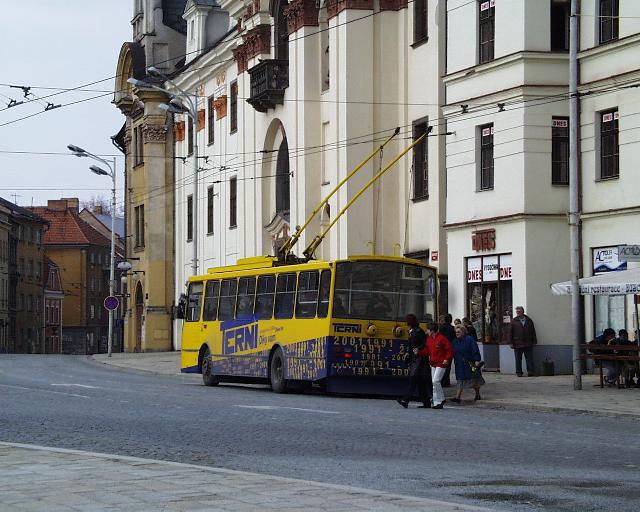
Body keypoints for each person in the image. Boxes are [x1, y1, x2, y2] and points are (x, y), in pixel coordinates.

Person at [397, 314, 432, 409]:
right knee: (419, 381)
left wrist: (417, 349)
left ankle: (405, 399)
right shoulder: (414, 331)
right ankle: (426, 402)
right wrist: (408, 352)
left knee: (413, 379)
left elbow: (424, 343)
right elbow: (411, 344)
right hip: (416, 358)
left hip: (419, 359)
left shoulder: (418, 331)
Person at [451, 325, 484, 403]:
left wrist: (477, 360)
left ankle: (477, 394)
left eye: (458, 332)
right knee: (460, 379)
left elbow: (475, 349)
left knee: (474, 379)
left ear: (463, 332)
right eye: (456, 332)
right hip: (459, 363)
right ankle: (457, 397)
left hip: (470, 363)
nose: (457, 333)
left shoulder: (469, 339)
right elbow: (452, 351)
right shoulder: (455, 341)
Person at [425, 322, 453, 409]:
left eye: (428, 329)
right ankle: (437, 402)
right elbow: (427, 351)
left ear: (432, 330)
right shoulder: (429, 339)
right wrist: (419, 352)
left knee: (435, 381)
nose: (427, 331)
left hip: (441, 363)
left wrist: (447, 359)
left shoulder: (442, 339)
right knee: (435, 382)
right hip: (434, 363)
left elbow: (449, 350)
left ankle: (440, 400)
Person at [508, 306, 537, 377]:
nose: (518, 312)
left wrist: (534, 341)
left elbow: (533, 331)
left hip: (528, 343)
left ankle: (530, 372)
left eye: (519, 311)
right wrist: (510, 343)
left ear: (523, 311)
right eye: (517, 311)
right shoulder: (513, 321)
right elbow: (510, 333)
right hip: (517, 343)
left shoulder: (529, 320)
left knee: (529, 358)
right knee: (518, 359)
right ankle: (519, 372)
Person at [439, 314, 456, 386]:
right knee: (448, 365)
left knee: (442, 364)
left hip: (442, 348)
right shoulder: (452, 328)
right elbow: (454, 339)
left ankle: (441, 380)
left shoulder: (441, 328)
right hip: (450, 348)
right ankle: (446, 381)